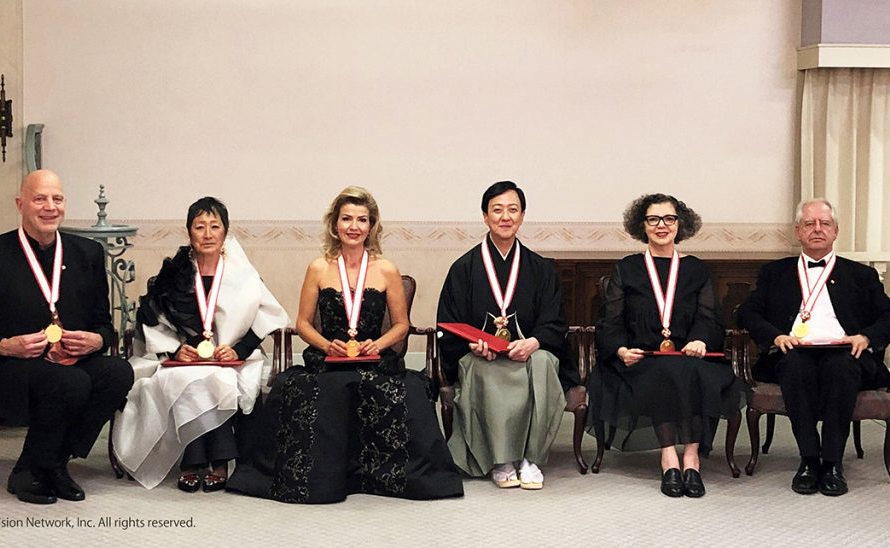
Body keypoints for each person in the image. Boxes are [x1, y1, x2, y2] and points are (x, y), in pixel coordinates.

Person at [226, 186, 463, 503]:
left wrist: (376, 345)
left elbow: (402, 325)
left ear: (372, 225)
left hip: (375, 359)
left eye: (362, 220)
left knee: (409, 392)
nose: (354, 226)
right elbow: (304, 324)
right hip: (327, 359)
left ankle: (382, 477)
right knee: (306, 389)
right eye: (347, 218)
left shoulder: (386, 269)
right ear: (334, 224)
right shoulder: (319, 267)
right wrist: (326, 345)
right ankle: (325, 478)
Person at [0, 169, 134, 505]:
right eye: (39, 198)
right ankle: (36, 470)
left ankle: (50, 463)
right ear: (21, 204)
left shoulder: (86, 254)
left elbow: (104, 325)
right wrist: (2, 345)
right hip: (9, 373)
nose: (50, 207)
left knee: (118, 372)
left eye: (57, 199)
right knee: (69, 382)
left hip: (69, 366)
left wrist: (98, 340)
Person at [112, 197, 289, 491]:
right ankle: (200, 462)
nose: (207, 234)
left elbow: (270, 314)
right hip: (185, 359)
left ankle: (211, 462)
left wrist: (239, 350)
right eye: (199, 227)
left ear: (225, 232)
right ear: (189, 232)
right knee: (190, 377)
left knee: (217, 378)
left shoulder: (243, 275)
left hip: (230, 358)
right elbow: (153, 318)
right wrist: (175, 349)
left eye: (214, 226)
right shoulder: (175, 274)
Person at [737, 198, 890, 496]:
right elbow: (747, 313)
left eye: (824, 224)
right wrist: (776, 336)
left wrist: (864, 337)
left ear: (836, 231)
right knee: (795, 366)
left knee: (839, 368)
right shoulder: (775, 273)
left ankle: (833, 463)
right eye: (809, 224)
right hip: (794, 352)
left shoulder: (861, 275)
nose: (817, 229)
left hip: (845, 353)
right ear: (798, 231)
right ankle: (808, 460)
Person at [589, 193, 746, 498]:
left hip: (690, 355)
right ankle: (669, 458)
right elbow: (610, 321)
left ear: (680, 224)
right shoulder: (627, 268)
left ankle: (691, 456)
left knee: (689, 371)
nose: (662, 225)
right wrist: (621, 350)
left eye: (669, 218)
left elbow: (710, 317)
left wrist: (701, 340)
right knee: (665, 371)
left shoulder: (697, 270)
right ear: (642, 225)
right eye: (653, 219)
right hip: (642, 359)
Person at [437, 181, 576, 490]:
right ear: (485, 216)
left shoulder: (541, 268)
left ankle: (530, 457)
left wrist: (534, 342)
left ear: (522, 216)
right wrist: (472, 345)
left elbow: (555, 321)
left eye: (513, 210)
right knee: (484, 368)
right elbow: (448, 324)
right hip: (480, 355)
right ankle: (501, 459)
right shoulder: (463, 268)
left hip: (529, 350)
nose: (505, 217)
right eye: (497, 210)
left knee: (542, 364)